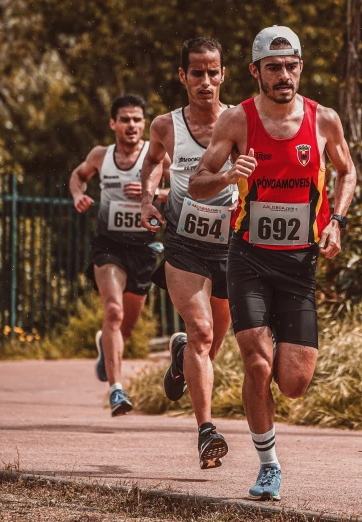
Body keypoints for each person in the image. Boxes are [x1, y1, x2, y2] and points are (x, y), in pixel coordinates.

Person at [187, 26, 357, 500]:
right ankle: (268, 467)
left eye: (291, 66)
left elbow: (348, 171)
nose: (284, 76)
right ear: (255, 72)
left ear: (301, 67)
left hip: (299, 263)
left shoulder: (324, 120)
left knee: (295, 382)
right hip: (249, 259)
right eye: (274, 67)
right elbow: (197, 183)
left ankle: (278, 339)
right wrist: (225, 174)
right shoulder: (237, 121)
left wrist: (336, 221)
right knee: (257, 365)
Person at [139, 37, 236, 470]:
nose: (205, 81)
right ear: (183, 76)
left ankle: (180, 360)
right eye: (196, 72)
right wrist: (146, 199)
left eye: (213, 72)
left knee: (212, 341)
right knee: (200, 331)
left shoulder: (239, 123)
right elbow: (152, 161)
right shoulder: (165, 125)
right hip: (184, 244)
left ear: (223, 75)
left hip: (230, 247)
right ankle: (205, 432)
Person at [69, 94, 169, 416]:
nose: (132, 125)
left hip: (142, 249)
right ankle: (116, 390)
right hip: (109, 245)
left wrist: (153, 193)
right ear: (113, 123)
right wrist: (78, 195)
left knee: (125, 327)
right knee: (112, 311)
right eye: (125, 119)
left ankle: (106, 346)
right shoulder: (101, 156)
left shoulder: (156, 157)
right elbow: (78, 175)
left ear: (144, 124)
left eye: (138, 120)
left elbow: (183, 187)